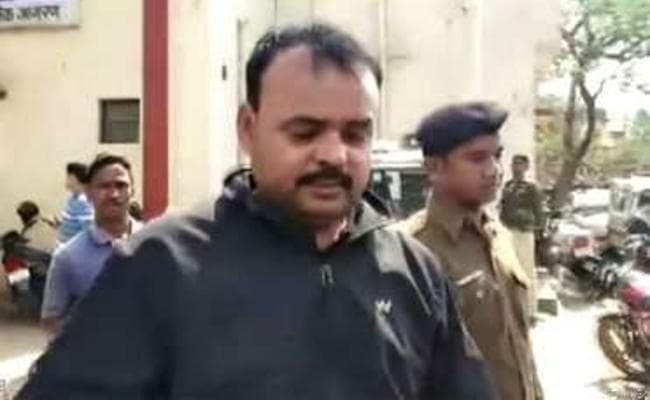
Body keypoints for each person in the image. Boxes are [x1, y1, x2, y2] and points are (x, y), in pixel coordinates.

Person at [18, 24, 496, 399]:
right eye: (304, 132)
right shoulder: (161, 265)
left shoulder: (415, 274)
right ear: (248, 129)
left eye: (355, 134)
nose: (334, 155)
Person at [397, 102, 544, 400]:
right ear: (434, 168)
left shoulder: (497, 234)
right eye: (477, 158)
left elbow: (520, 350)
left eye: (497, 156)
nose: (494, 170)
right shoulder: (410, 251)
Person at [40, 153, 140, 332]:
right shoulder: (67, 258)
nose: (114, 194)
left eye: (121, 185)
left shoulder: (155, 244)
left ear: (132, 190)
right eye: (104, 186)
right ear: (88, 193)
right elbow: (51, 321)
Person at [500, 154, 544, 318]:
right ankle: (512, 309)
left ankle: (530, 310)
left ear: (526, 167)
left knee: (526, 269)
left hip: (524, 232)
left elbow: (539, 212)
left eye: (520, 164)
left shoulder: (531, 188)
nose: (516, 167)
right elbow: (503, 208)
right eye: (514, 164)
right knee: (508, 270)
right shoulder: (508, 186)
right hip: (509, 231)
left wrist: (538, 230)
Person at [55, 162, 93, 248]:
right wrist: (57, 223)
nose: (67, 180)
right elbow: (71, 225)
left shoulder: (84, 202)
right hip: (63, 248)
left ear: (79, 180)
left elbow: (88, 233)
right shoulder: (71, 197)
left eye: (70, 177)